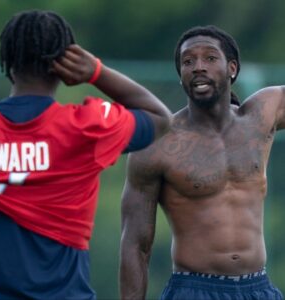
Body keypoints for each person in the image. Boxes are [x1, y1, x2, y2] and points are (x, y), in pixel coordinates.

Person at [0, 10, 171, 299]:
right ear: (63, 63)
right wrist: (97, 72)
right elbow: (160, 118)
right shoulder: (85, 128)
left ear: (7, 59)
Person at [119, 25, 285, 300]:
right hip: (194, 289)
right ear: (181, 75)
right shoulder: (158, 144)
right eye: (188, 61)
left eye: (209, 58)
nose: (198, 67)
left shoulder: (261, 116)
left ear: (232, 68)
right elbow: (135, 245)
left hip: (259, 288)